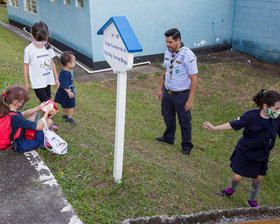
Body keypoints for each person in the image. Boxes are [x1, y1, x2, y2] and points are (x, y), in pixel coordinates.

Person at [203, 89, 280, 207]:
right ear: (265, 106)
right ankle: (230, 189)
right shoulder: (250, 116)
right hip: (245, 152)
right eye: (277, 109)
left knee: (258, 178)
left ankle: (252, 200)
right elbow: (233, 124)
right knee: (237, 177)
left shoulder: (277, 120)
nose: (278, 112)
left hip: (262, 155)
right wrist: (214, 128)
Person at [156, 28, 198, 155]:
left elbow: (194, 79)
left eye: (170, 42)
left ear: (178, 41)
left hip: (181, 95)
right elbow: (165, 71)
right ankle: (168, 138)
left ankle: (186, 145)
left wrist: (190, 100)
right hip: (168, 93)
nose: (167, 45)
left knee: (184, 121)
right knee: (167, 116)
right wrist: (160, 88)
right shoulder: (167, 53)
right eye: (166, 42)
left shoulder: (188, 56)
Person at [1, 85, 56, 152]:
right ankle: (44, 141)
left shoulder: (7, 111)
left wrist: (38, 108)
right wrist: (47, 112)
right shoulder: (16, 118)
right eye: (22, 102)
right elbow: (38, 126)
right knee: (49, 121)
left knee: (34, 114)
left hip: (17, 139)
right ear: (15, 102)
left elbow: (23, 113)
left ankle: (38, 134)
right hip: (22, 145)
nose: (23, 104)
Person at [23, 21, 59, 103]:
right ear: (31, 36)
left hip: (47, 80)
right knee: (46, 101)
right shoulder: (28, 50)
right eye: (39, 41)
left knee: (48, 99)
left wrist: (56, 79)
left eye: (44, 40)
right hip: (37, 82)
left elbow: (52, 63)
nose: (42, 43)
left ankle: (47, 114)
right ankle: (48, 113)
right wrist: (26, 83)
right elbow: (26, 66)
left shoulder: (48, 47)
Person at [54, 51, 77, 126]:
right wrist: (69, 92)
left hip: (63, 93)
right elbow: (64, 85)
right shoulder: (66, 74)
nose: (74, 63)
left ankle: (65, 115)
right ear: (68, 63)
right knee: (71, 106)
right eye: (73, 62)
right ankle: (69, 119)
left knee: (65, 105)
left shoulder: (63, 71)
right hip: (67, 93)